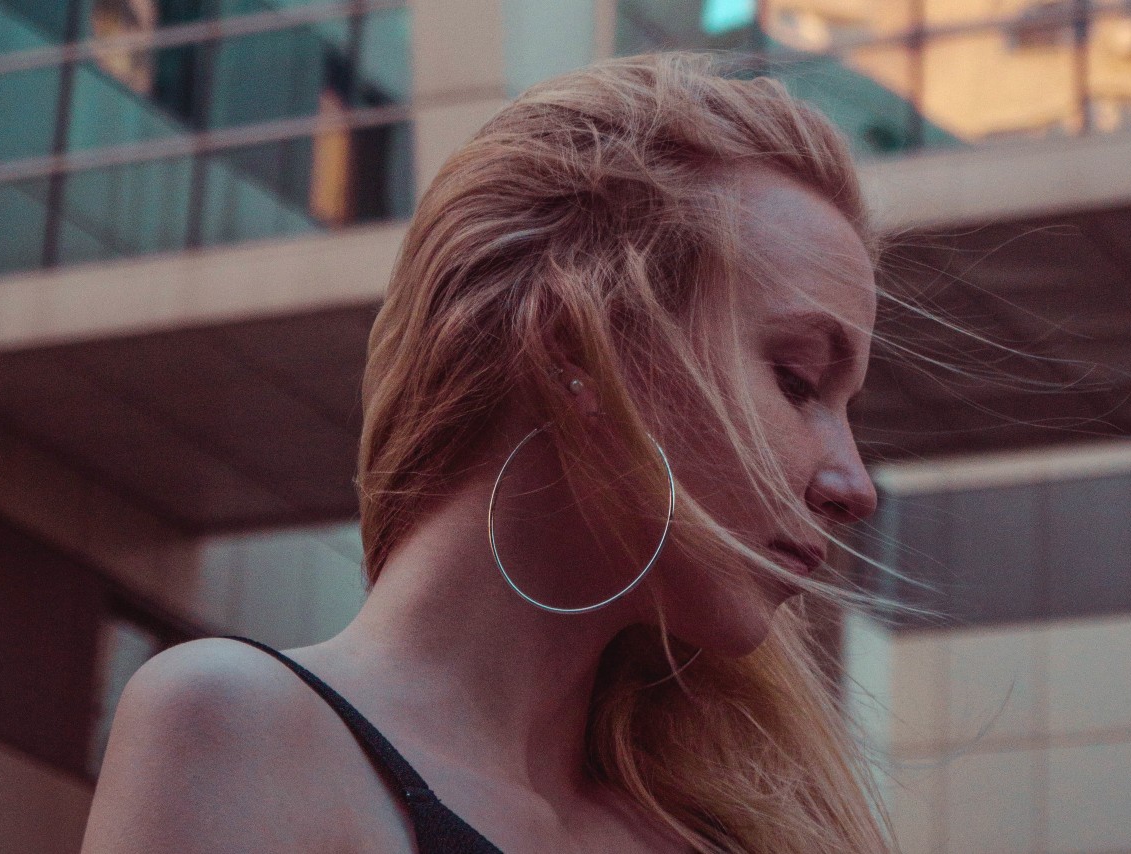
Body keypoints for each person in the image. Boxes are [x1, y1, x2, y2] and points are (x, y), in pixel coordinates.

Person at [81, 50, 895, 853]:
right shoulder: (238, 728)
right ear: (576, 345)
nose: (854, 485)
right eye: (797, 381)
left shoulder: (715, 836)